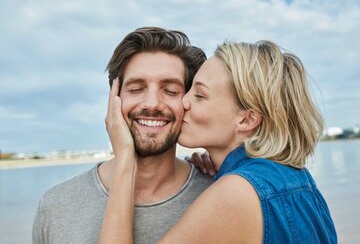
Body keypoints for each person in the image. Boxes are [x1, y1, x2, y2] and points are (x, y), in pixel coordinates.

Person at [98, 40, 337, 243]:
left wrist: (125, 160)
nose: (184, 102)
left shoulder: (237, 193)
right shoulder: (298, 178)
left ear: (247, 119)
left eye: (200, 95)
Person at [32, 27, 213, 244]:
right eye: (136, 89)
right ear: (113, 99)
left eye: (171, 91)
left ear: (188, 102)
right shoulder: (55, 206)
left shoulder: (217, 194)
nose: (152, 104)